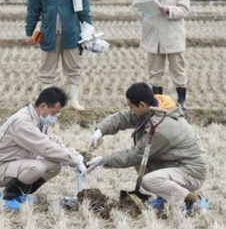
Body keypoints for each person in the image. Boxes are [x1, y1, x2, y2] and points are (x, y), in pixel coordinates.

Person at [86, 82, 208, 214]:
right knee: (141, 162)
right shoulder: (153, 106)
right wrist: (100, 131)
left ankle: (191, 199)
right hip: (175, 162)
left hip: (191, 171)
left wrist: (103, 160)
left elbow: (134, 155)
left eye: (131, 107)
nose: (131, 110)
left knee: (149, 181)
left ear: (142, 105)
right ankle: (166, 196)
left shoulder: (162, 127)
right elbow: (124, 117)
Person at [0, 87, 87, 210]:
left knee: (55, 165)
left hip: (14, 164)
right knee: (37, 167)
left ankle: (20, 194)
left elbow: (54, 143)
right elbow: (45, 148)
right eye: (54, 112)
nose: (55, 117)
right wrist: (73, 161)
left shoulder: (39, 121)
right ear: (43, 106)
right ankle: (8, 197)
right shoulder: (23, 122)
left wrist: (77, 156)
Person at [25, 0, 93, 111]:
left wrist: (89, 29)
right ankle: (47, 104)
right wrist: (29, 32)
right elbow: (32, 11)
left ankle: (74, 101)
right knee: (46, 70)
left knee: (73, 68)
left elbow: (83, 9)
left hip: (71, 35)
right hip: (48, 35)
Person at [132, 0, 190, 110]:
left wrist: (168, 10)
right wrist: (147, 17)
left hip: (173, 36)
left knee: (178, 69)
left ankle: (182, 101)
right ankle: (157, 102)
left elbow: (185, 10)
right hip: (153, 36)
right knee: (155, 72)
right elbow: (136, 8)